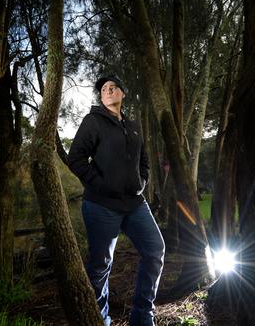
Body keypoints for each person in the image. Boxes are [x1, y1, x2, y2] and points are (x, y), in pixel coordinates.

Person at [67, 76, 165, 326]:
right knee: (101, 266)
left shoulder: (132, 126)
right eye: (103, 89)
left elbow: (143, 161)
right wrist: (101, 185)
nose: (108, 91)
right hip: (101, 205)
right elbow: (76, 158)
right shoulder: (93, 122)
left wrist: (142, 182)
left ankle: (143, 316)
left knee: (155, 250)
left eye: (113, 87)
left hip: (134, 204)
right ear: (101, 97)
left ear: (122, 93)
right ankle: (100, 320)